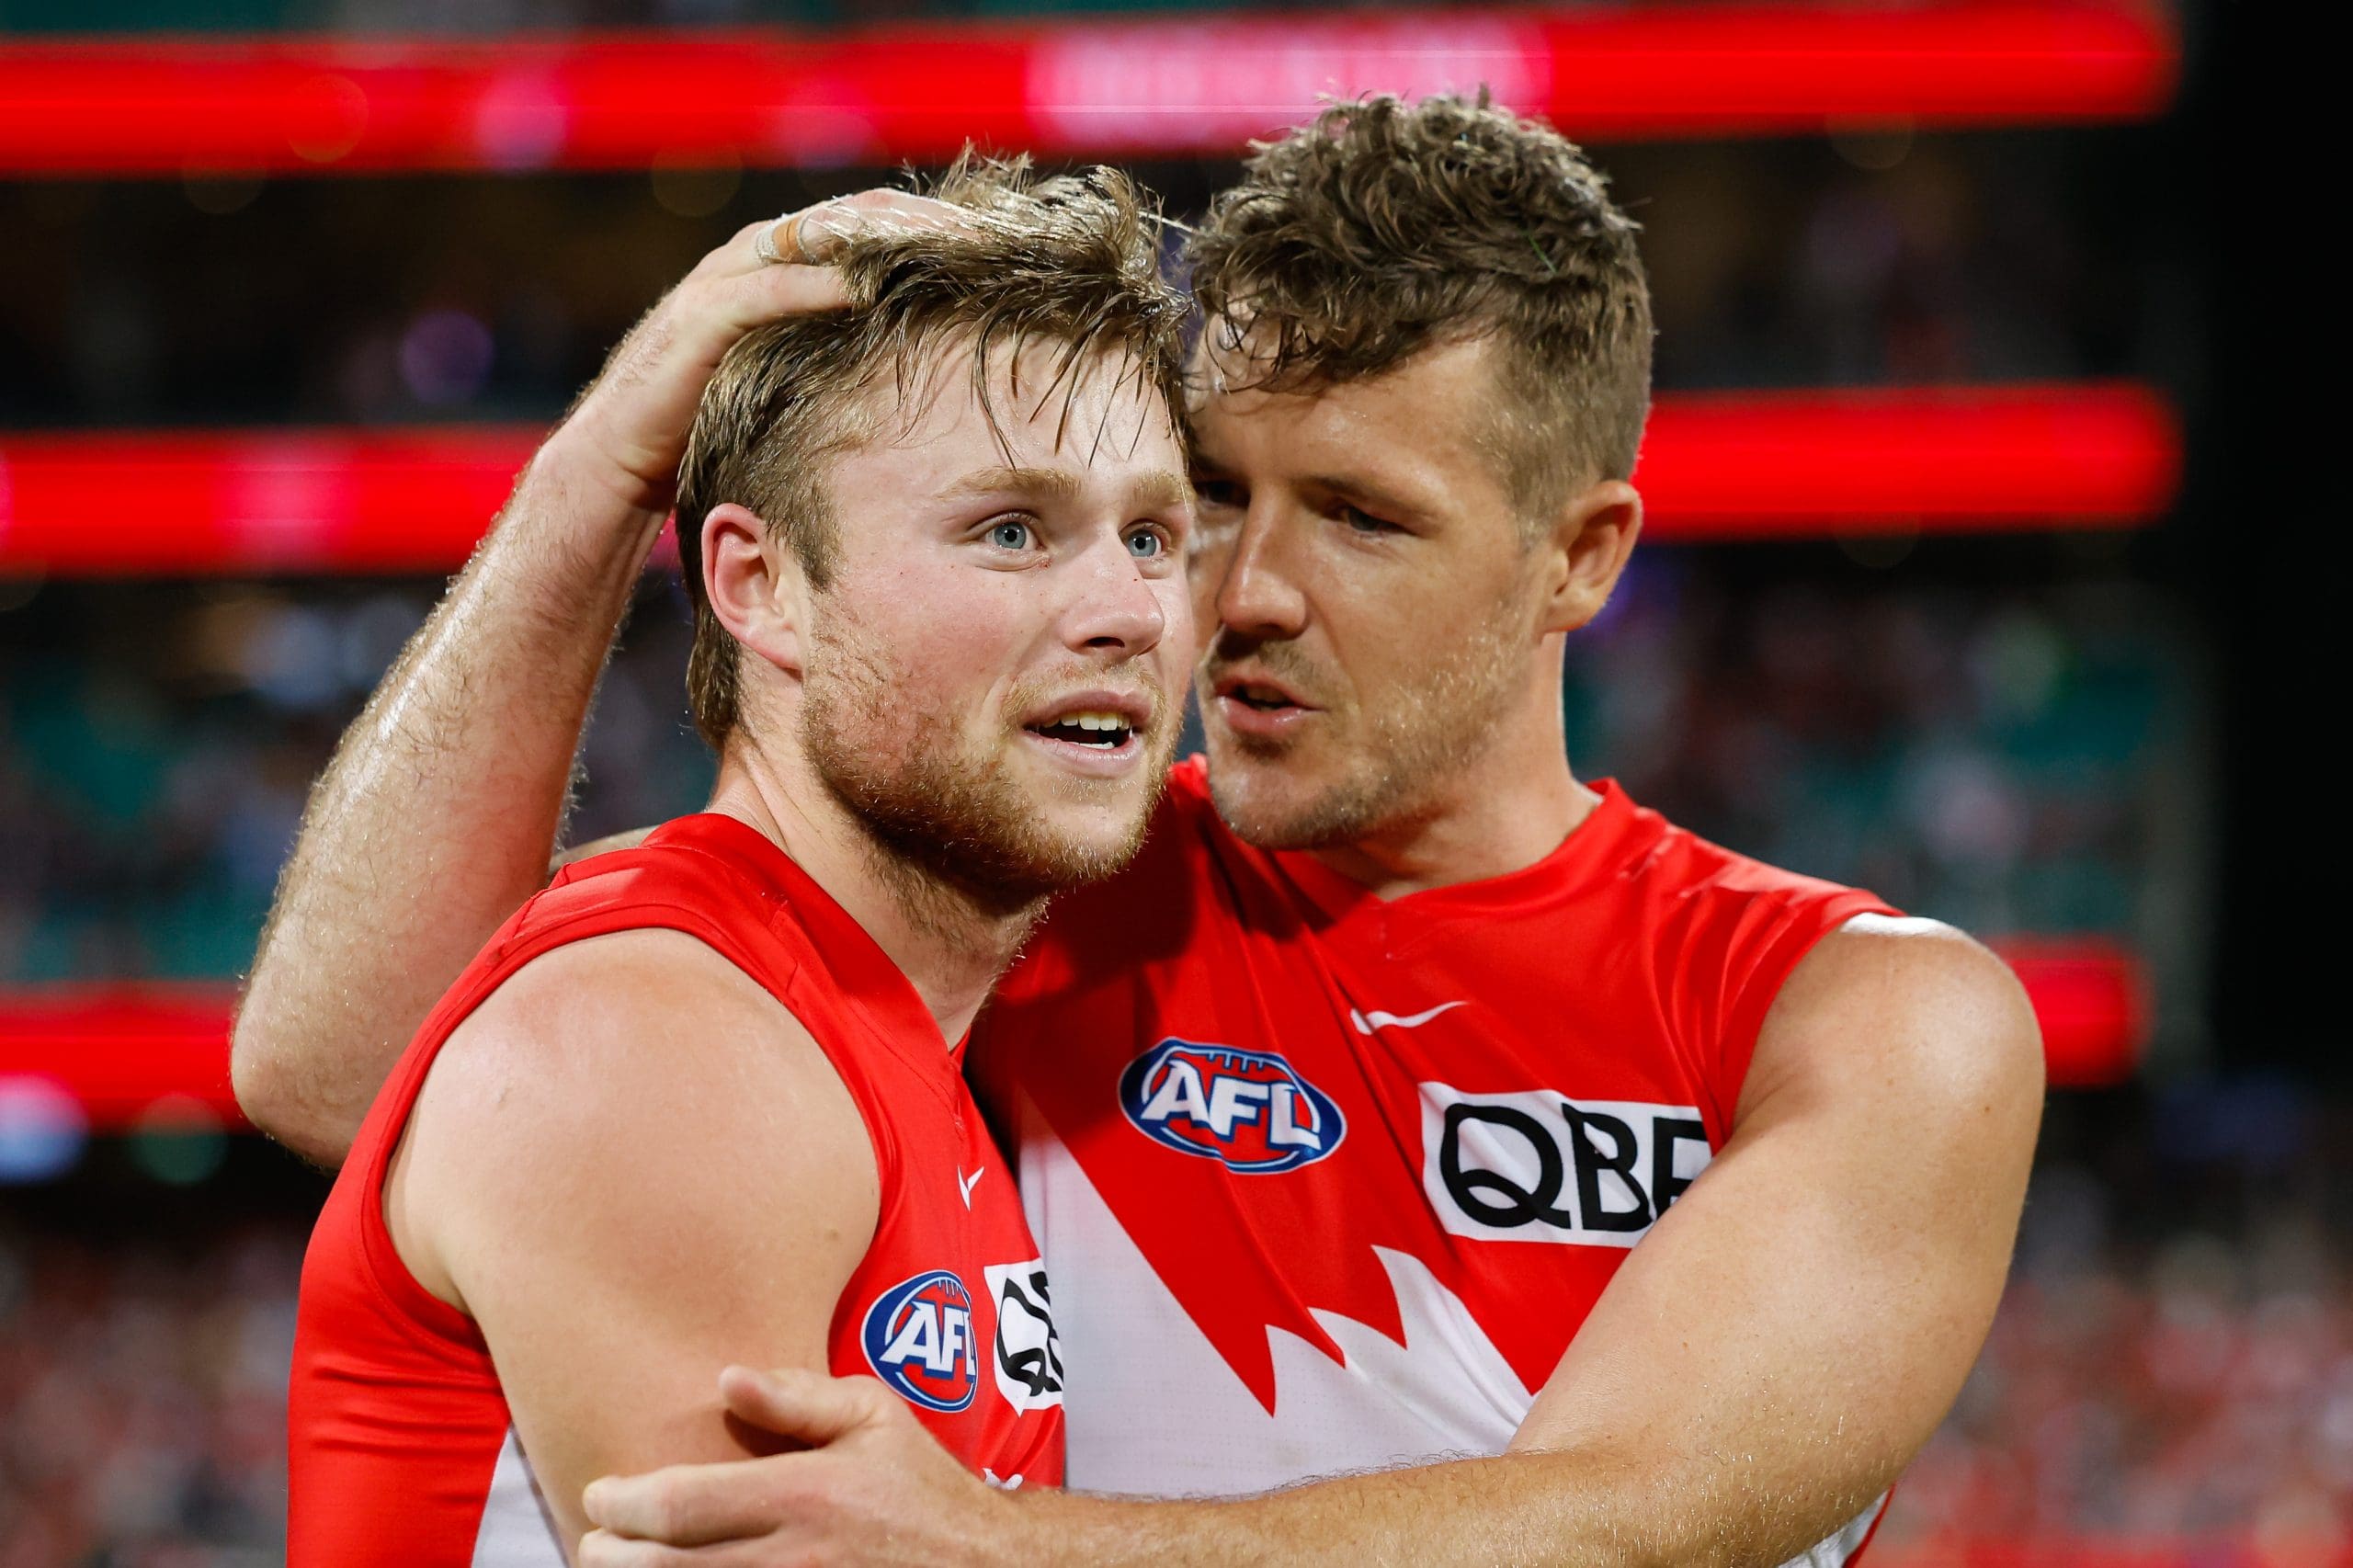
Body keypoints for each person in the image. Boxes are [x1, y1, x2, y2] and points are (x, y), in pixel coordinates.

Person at [237, 96, 2043, 1568]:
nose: (1239, 593)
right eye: (1215, 497)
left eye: (1359, 515)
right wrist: (605, 471)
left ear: (1580, 555)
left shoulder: (1852, 1014)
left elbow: (1633, 1524)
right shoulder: (1042, 866)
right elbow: (372, 1068)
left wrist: (995, 1549)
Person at [278, 157, 1195, 1563]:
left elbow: (331, 1073)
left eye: (1151, 535)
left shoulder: (857, 998)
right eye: (1010, 530)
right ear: (761, 586)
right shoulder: (661, 1039)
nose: (1128, 607)